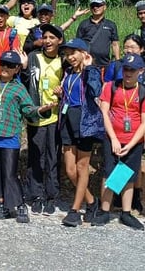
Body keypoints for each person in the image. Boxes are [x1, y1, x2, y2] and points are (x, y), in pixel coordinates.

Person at [0, 51, 55, 223]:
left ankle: (20, 204)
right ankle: (3, 205)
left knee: (9, 174)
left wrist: (40, 110)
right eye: (3, 64)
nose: (5, 68)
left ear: (16, 69)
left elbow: (28, 109)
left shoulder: (18, 88)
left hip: (9, 137)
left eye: (10, 65)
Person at [91, 54, 145, 230]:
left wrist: (131, 144)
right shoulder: (111, 87)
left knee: (128, 175)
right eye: (126, 69)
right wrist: (113, 138)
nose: (128, 73)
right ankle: (105, 210)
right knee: (109, 173)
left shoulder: (143, 92)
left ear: (140, 71)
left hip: (134, 141)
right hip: (112, 138)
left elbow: (144, 122)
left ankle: (126, 213)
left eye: (132, 70)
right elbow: (105, 113)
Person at [56, 38, 103, 227]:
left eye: (73, 53)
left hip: (85, 122)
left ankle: (74, 210)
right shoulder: (67, 72)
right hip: (68, 120)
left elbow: (96, 90)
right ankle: (91, 202)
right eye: (67, 54)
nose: (70, 57)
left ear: (84, 53)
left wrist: (90, 68)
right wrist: (61, 92)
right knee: (69, 169)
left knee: (82, 167)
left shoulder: (90, 72)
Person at [21, 24, 64, 215]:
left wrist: (62, 93)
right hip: (36, 117)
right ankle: (36, 194)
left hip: (55, 117)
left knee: (52, 158)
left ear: (59, 41)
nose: (47, 41)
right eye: (45, 37)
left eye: (52, 38)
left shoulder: (64, 62)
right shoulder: (33, 58)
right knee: (36, 157)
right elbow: (24, 82)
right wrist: (22, 68)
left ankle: (51, 195)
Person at [76, 0, 120, 77]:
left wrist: (117, 63)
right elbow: (78, 45)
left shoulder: (111, 25)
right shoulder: (84, 24)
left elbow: (115, 44)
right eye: (93, 5)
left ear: (104, 7)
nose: (95, 8)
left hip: (105, 66)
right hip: (87, 65)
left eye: (98, 5)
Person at [23, 4, 88, 54]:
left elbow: (62, 49)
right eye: (41, 14)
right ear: (38, 15)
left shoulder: (56, 30)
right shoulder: (33, 31)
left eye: (46, 14)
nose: (43, 16)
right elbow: (25, 47)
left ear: (52, 16)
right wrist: (34, 43)